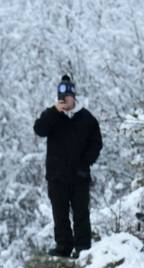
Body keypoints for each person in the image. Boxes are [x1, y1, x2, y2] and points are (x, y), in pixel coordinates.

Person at [33, 74, 103, 258]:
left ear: (74, 96)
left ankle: (83, 246)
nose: (64, 100)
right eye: (61, 97)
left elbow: (96, 143)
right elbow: (39, 129)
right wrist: (54, 111)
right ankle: (63, 246)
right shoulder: (52, 116)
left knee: (81, 213)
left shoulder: (86, 118)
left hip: (79, 175)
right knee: (60, 214)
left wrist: (85, 162)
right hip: (57, 176)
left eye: (68, 96)